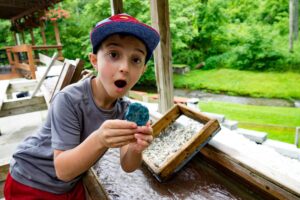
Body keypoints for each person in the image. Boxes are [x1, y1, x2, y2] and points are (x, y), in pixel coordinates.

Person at [4, 13, 160, 199]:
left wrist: (136, 149)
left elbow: (128, 166)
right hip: (31, 179)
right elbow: (62, 169)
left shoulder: (125, 110)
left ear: (142, 70)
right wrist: (100, 139)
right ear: (94, 61)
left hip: (70, 182)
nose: (125, 67)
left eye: (135, 59)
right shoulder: (69, 100)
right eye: (113, 54)